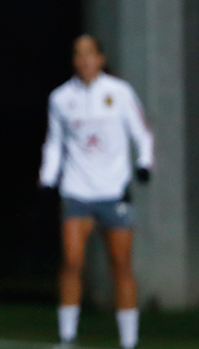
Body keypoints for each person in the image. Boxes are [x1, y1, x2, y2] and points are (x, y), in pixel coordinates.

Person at [38, 34, 153, 349]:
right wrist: (47, 179)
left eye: (90, 53)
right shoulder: (61, 97)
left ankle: (129, 341)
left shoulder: (119, 93)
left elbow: (141, 133)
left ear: (101, 58)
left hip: (114, 191)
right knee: (72, 262)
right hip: (77, 191)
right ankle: (67, 338)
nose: (84, 60)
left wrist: (144, 164)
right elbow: (55, 143)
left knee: (121, 263)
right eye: (78, 54)